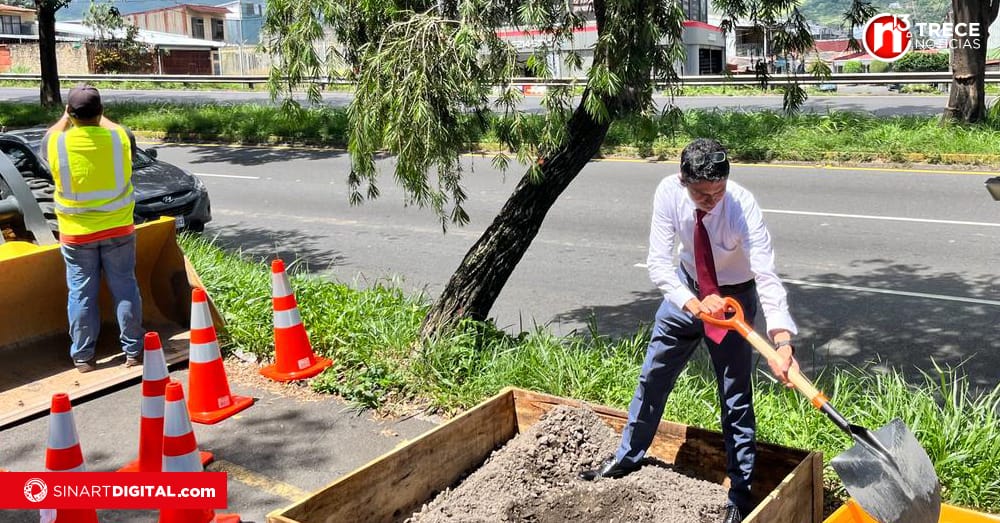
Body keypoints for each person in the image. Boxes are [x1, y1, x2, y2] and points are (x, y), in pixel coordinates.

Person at [579, 138, 799, 523]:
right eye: (701, 193)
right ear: (684, 181)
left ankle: (740, 495)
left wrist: (781, 342)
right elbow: (659, 263)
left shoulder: (742, 206)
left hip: (733, 303)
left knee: (735, 398)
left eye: (718, 191)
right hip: (686, 293)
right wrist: (696, 304)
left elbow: (766, 275)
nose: (711, 200)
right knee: (653, 376)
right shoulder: (668, 192)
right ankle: (626, 458)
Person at [42, 84, 144, 373]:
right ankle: (134, 352)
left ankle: (84, 357)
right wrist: (101, 116)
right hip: (119, 229)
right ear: (100, 112)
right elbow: (120, 130)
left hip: (77, 234)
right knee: (125, 287)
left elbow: (50, 135)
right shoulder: (120, 139)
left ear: (70, 113)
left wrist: (66, 118)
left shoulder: (56, 142)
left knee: (81, 292)